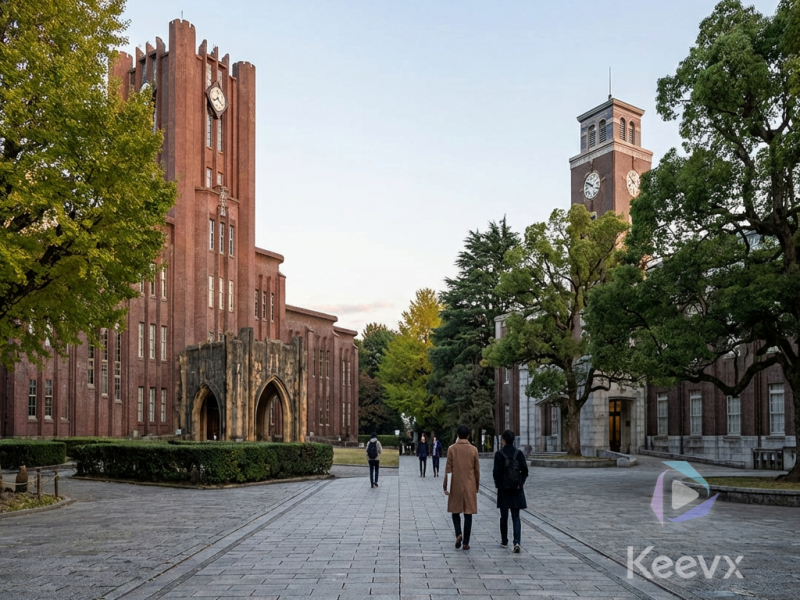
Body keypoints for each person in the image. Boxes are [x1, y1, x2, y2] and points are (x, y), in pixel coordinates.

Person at [443, 425, 480, 550]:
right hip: (469, 484)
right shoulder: (473, 450)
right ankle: (466, 542)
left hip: (456, 484)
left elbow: (448, 469)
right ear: (468, 436)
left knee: (455, 511)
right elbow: (477, 470)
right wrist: (476, 486)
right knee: (468, 514)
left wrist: (445, 486)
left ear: (457, 435)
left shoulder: (452, 449)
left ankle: (458, 533)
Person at [492, 429, 529, 553]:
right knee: (516, 516)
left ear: (503, 440)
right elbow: (525, 471)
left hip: (504, 489)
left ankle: (504, 540)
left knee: (504, 516)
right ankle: (517, 541)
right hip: (516, 489)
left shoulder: (499, 454)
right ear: (513, 440)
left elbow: (495, 473)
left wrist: (499, 484)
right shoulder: (518, 454)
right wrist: (520, 482)